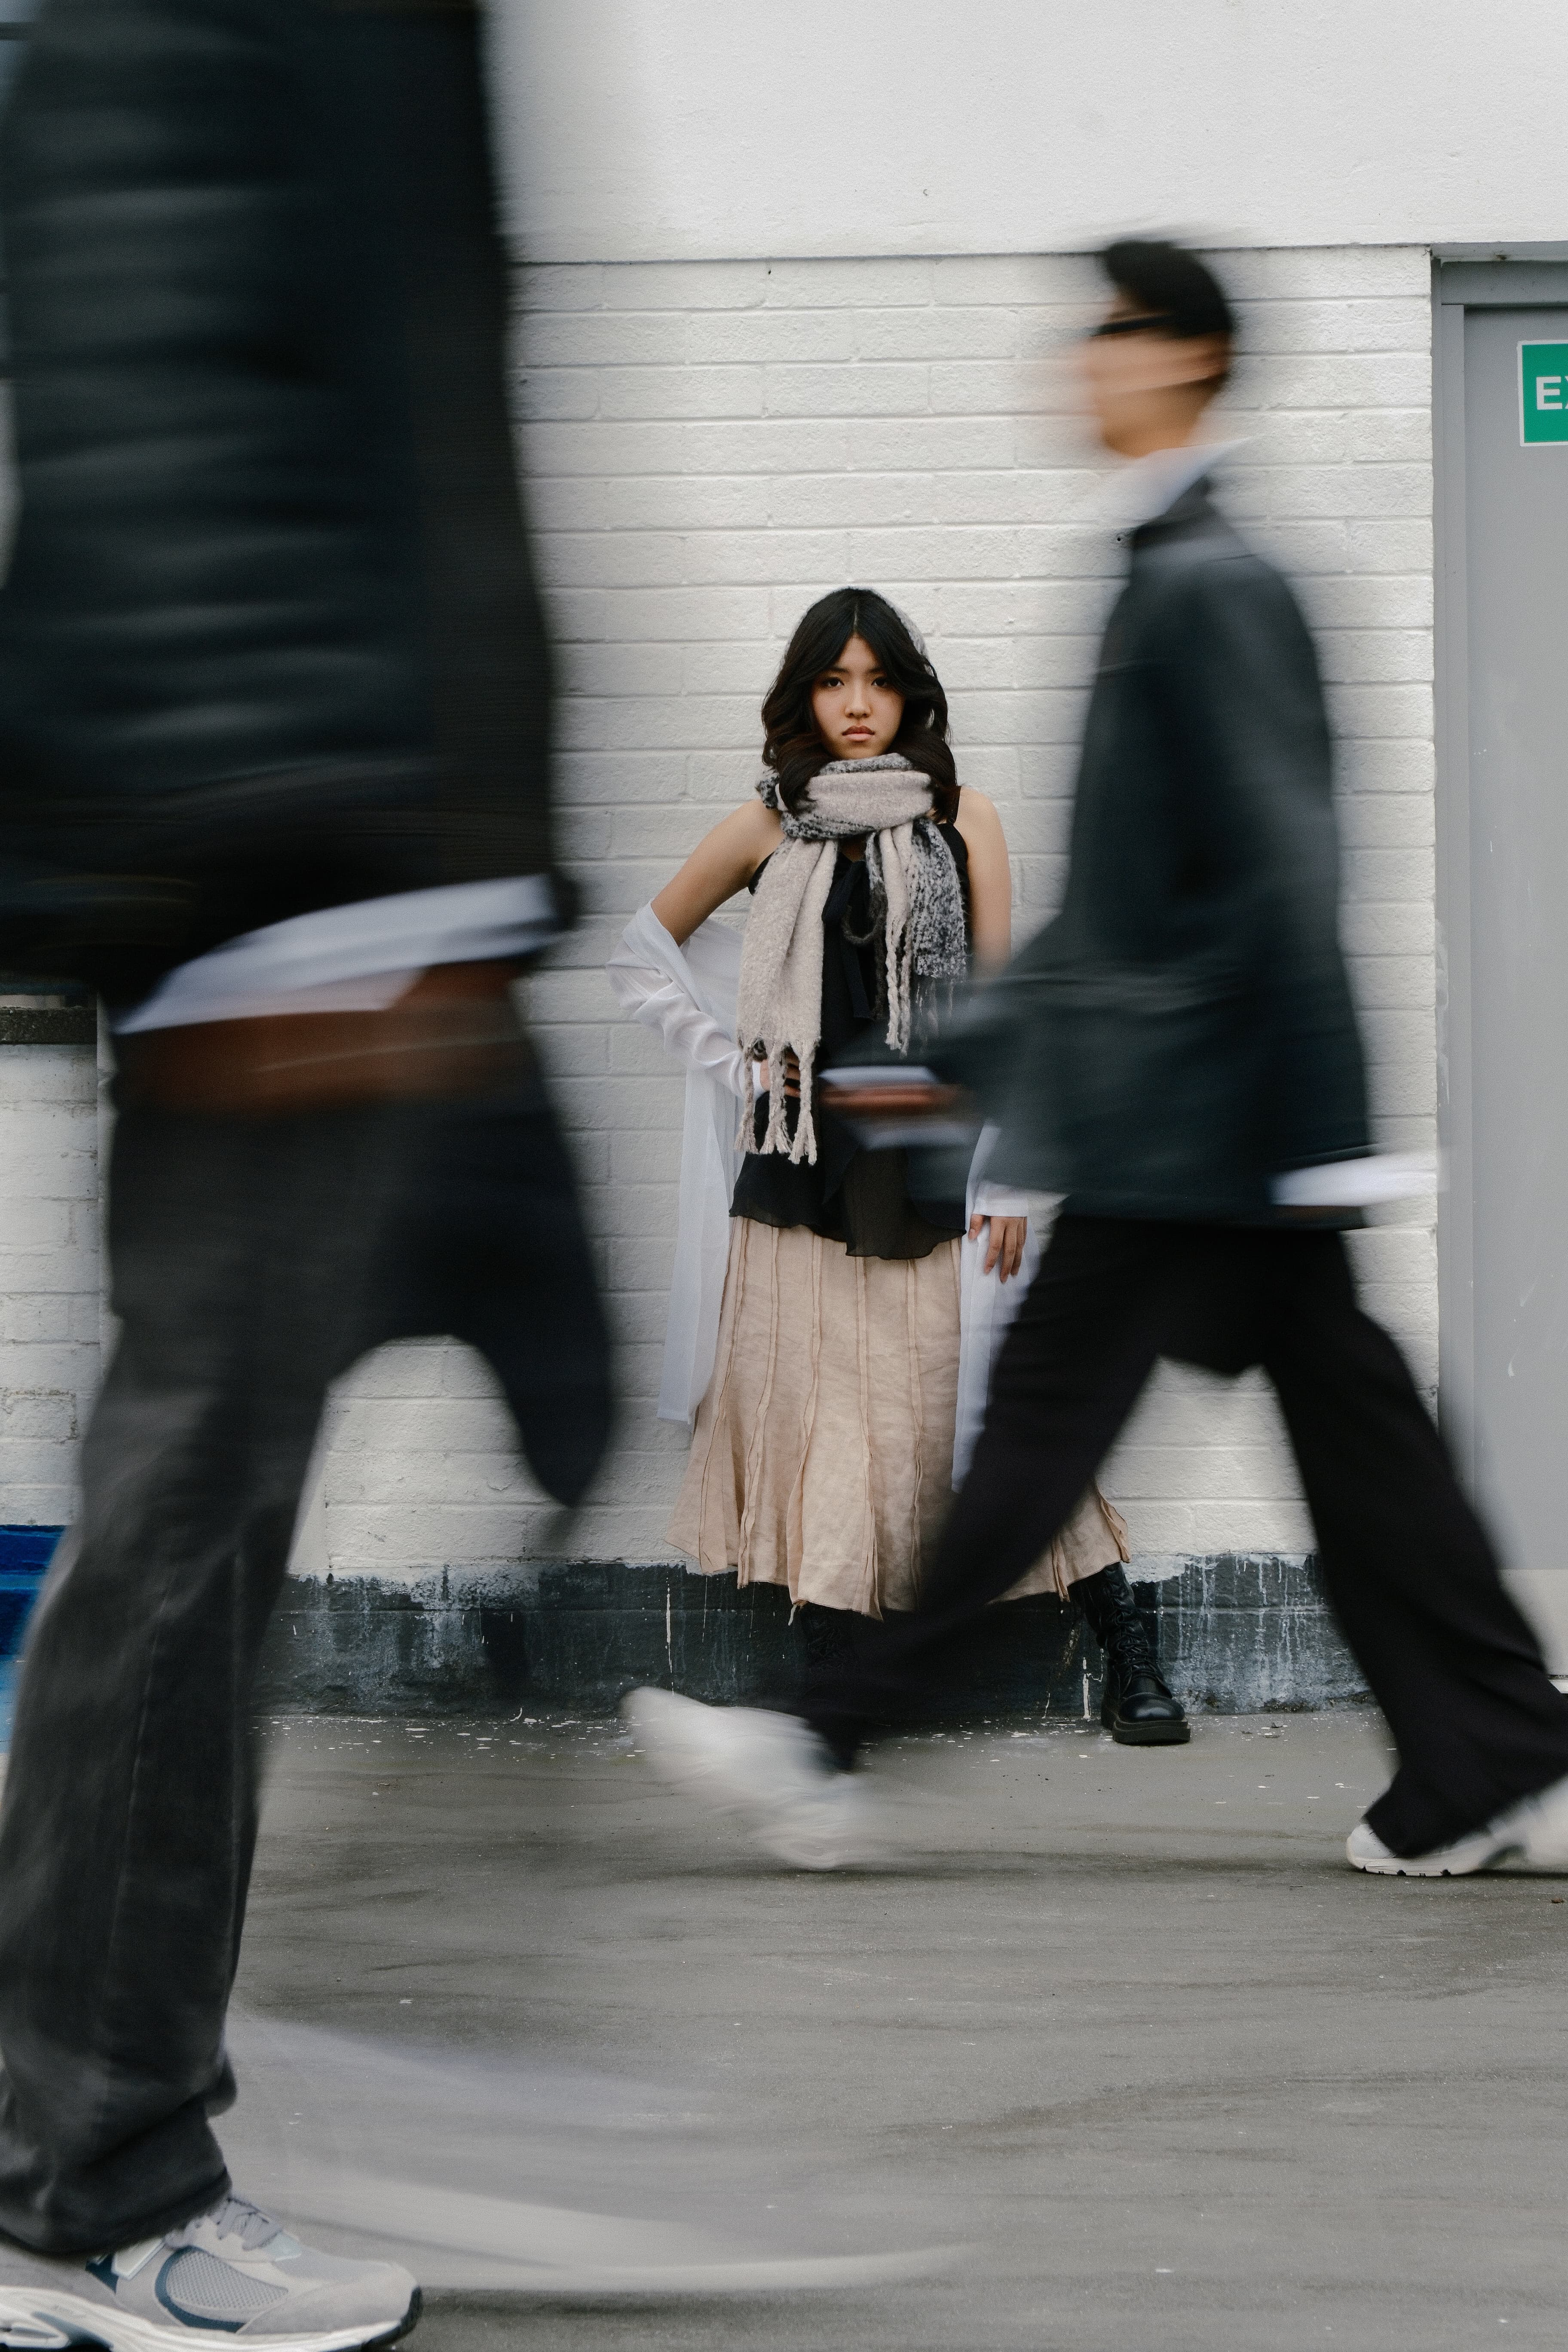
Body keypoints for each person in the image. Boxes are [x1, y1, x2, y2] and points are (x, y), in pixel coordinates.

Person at [625, 239, 1568, 1880]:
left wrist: (1262, 1129)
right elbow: (1120, 909)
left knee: (1049, 1449)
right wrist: (967, 1053)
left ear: (1188, 358)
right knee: (1360, 1466)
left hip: (1199, 1134)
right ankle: (1498, 1759)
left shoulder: (1208, 583)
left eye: (1114, 332)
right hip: (1207, 1127)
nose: (1084, 359)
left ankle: (818, 1739)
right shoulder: (1164, 569)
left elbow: (1277, 871)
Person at [0, 3, 610, 2345]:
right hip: (297, 889)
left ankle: (183, 2116)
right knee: (186, 1533)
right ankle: (86, 2190)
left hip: (396, 875)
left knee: (360, 1473)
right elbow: (149, 347)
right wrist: (293, 873)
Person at [609, 589, 1185, 1743]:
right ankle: (835, 1691)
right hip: (800, 1180)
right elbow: (639, 955)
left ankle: (1126, 1641)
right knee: (811, 1422)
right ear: (804, 696)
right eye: (834, 682)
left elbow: (1009, 1014)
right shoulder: (765, 828)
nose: (858, 705)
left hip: (937, 1176)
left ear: (910, 693)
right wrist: (733, 1066)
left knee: (978, 1422)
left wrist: (1018, 1176)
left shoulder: (967, 819)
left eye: (877, 681)